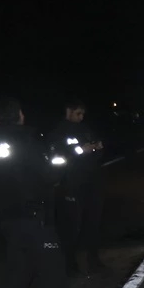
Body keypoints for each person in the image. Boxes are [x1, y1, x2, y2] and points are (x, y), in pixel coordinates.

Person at [0, 96, 102, 288]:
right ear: (20, 115)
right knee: (53, 273)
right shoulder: (27, 141)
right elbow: (49, 175)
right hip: (35, 218)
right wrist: (60, 162)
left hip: (9, 217)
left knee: (18, 273)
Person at [48, 98, 106, 275]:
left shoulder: (85, 129)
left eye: (83, 114)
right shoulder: (59, 131)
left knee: (93, 223)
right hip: (71, 184)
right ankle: (69, 264)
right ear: (69, 111)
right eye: (78, 113)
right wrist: (81, 150)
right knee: (71, 226)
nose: (81, 117)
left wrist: (97, 147)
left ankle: (94, 260)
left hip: (91, 181)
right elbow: (58, 155)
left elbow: (98, 149)